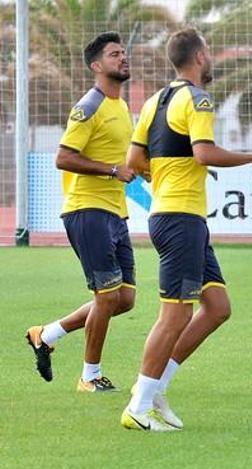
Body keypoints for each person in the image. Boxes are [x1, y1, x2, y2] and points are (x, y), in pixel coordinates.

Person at [122, 27, 252, 431]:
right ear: (200, 57)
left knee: (217, 308)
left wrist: (170, 174)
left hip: (173, 216)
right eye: (209, 53)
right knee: (174, 316)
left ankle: (156, 388)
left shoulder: (157, 100)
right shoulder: (198, 98)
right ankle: (137, 407)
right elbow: (203, 151)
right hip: (180, 220)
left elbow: (133, 161)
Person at [25, 32, 137, 392]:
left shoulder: (121, 106)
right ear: (96, 66)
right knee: (106, 296)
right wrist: (111, 169)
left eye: (123, 53)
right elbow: (64, 157)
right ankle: (89, 377)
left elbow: (123, 160)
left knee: (124, 299)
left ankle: (47, 333)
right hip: (87, 211)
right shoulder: (89, 105)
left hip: (114, 213)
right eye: (114, 54)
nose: (123, 58)